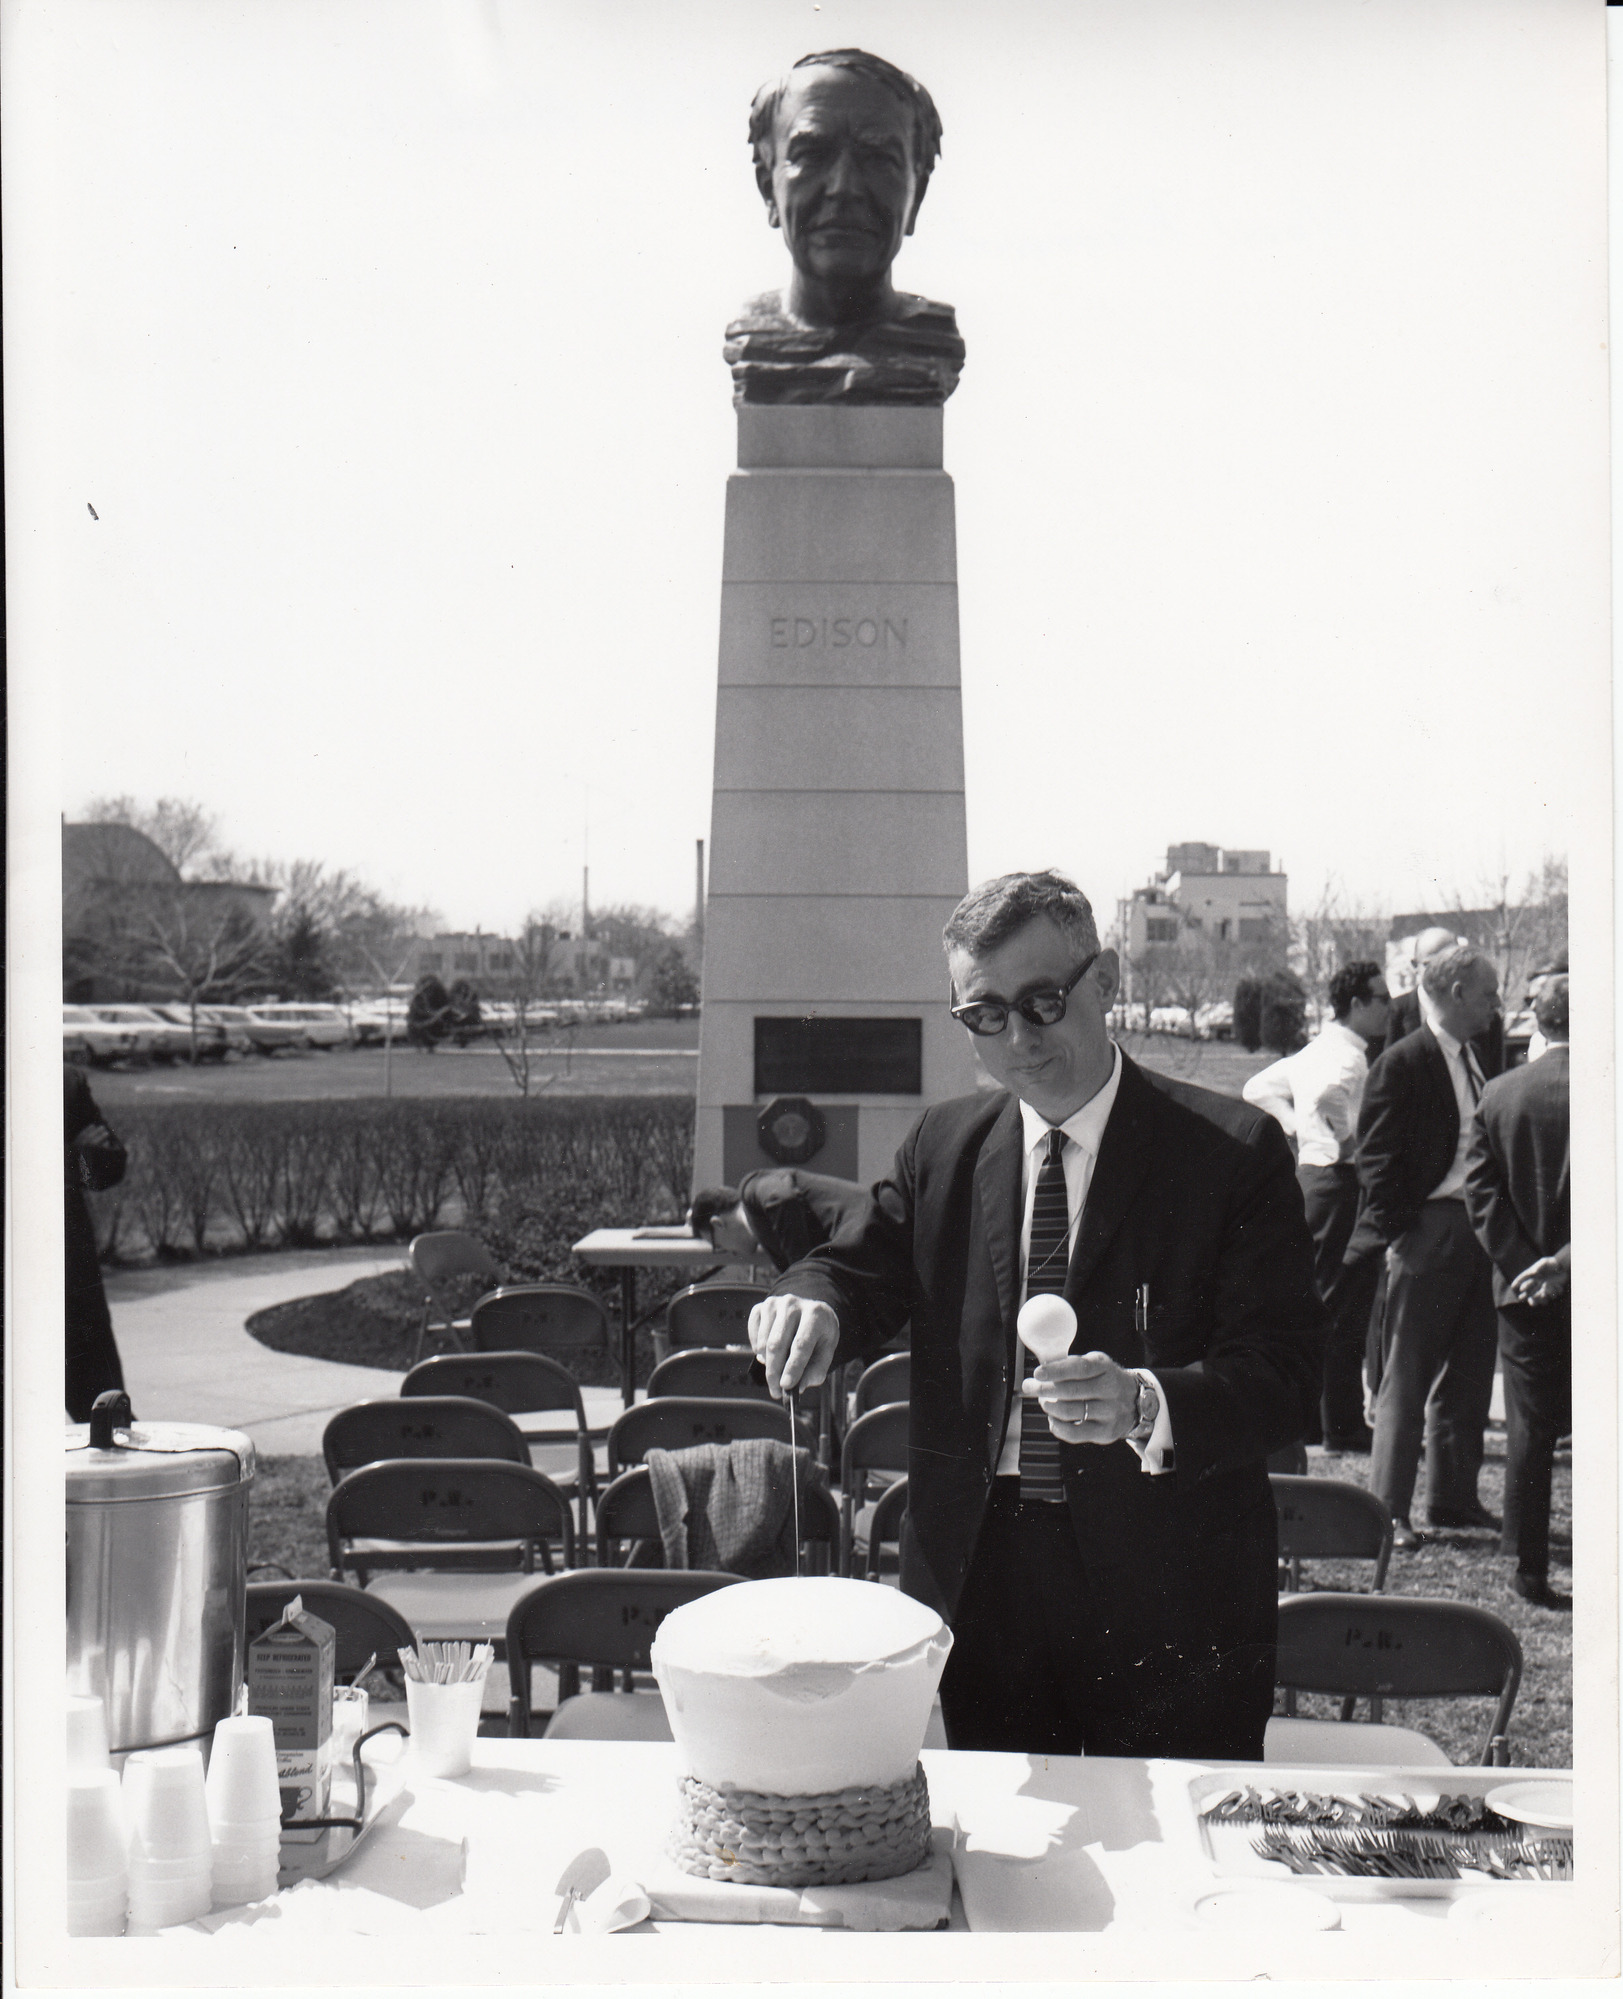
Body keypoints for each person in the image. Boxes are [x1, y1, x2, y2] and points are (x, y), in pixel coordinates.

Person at [749, 870, 1325, 1760]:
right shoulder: (943, 1145)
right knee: (1004, 1868)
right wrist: (809, 1302)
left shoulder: (1230, 1153)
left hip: (1169, 1584)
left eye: (1042, 1000)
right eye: (983, 1013)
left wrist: (1145, 1403)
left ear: (1104, 983)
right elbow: (855, 1267)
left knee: (1169, 1875)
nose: (1017, 1037)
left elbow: (1285, 1377)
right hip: (984, 1582)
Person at [1348, 945, 1502, 1548]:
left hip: (1480, 1229)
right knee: (1406, 1379)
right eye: (1489, 993)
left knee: (1468, 1376)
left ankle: (1453, 1499)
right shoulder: (1404, 1062)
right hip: (1427, 1231)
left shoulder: (1475, 1053)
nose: (1497, 1005)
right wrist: (1402, 1235)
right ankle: (1388, 1511)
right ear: (1458, 991)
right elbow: (1375, 1160)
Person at [726, 49, 965, 405]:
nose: (844, 187)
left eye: (878, 158)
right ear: (768, 189)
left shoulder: (932, 342)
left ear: (917, 197)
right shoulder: (752, 341)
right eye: (812, 155)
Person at [1243, 961, 1392, 1451]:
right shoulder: (1347, 1057)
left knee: (1321, 1300)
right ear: (1357, 1005)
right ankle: (1339, 1424)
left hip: (1313, 1179)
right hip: (1336, 1182)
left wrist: (1293, 1125)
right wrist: (1343, 1139)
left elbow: (1258, 1088)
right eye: (1382, 999)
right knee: (1341, 1305)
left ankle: (1316, 1420)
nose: (1390, 1009)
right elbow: (1330, 1097)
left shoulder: (1319, 1048)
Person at [1465, 975, 1570, 1607]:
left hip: (1521, 1291)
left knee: (1529, 1429)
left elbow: (1483, 1196)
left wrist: (1526, 1267)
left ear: (1538, 1020)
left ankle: (1528, 1564)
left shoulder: (1499, 1093)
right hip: (1589, 1277)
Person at [65, 1062, 130, 1421]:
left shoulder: (65, 1083)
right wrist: (69, 1157)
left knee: (105, 1416)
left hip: (71, 1278)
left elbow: (110, 1166)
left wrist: (79, 1163)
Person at [690, 1170, 874, 1274]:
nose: (729, 1253)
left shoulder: (751, 1190)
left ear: (718, 1224)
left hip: (871, 1225)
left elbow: (781, 1198)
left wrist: (802, 1272)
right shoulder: (765, 1227)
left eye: (717, 1245)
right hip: (868, 1240)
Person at [1385, 926, 1505, 1078]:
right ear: (1414, 965)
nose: (1443, 972)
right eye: (1431, 964)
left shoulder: (1487, 1018)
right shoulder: (1395, 1011)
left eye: (1452, 964)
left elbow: (1495, 1078)